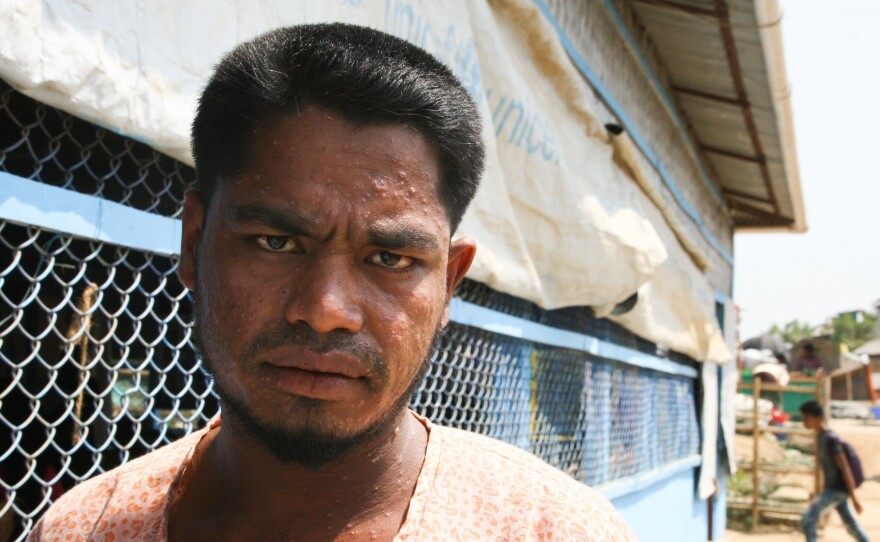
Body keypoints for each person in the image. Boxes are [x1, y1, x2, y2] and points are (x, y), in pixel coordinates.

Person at [29, 23, 635, 541]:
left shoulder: (555, 530)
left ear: (449, 282)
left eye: (390, 258)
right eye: (276, 243)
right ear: (194, 244)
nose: (325, 310)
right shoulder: (84, 527)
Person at [799, 400, 870, 542]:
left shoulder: (831, 440)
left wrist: (854, 498)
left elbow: (845, 468)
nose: (804, 421)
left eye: (807, 417)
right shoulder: (821, 438)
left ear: (818, 418)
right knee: (851, 525)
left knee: (808, 519)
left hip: (837, 490)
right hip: (834, 489)